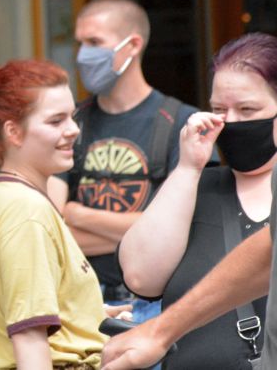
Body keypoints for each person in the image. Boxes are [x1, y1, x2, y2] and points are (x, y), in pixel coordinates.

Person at [108, 32, 277, 369]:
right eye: (219, 109)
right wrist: (188, 167)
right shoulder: (198, 188)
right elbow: (141, 277)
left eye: (248, 109)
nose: (231, 122)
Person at [49, 0, 197, 313]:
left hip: (155, 306)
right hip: (84, 301)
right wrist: (145, 233)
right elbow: (51, 228)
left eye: (94, 42)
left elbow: (187, 230)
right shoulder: (71, 123)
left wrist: (78, 214)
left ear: (132, 46)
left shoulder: (181, 123)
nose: (83, 55)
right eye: (80, 43)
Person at [0, 58, 106, 369]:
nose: (73, 130)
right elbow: (29, 338)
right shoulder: (26, 210)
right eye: (56, 121)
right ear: (13, 132)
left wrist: (94, 314)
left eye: (72, 117)